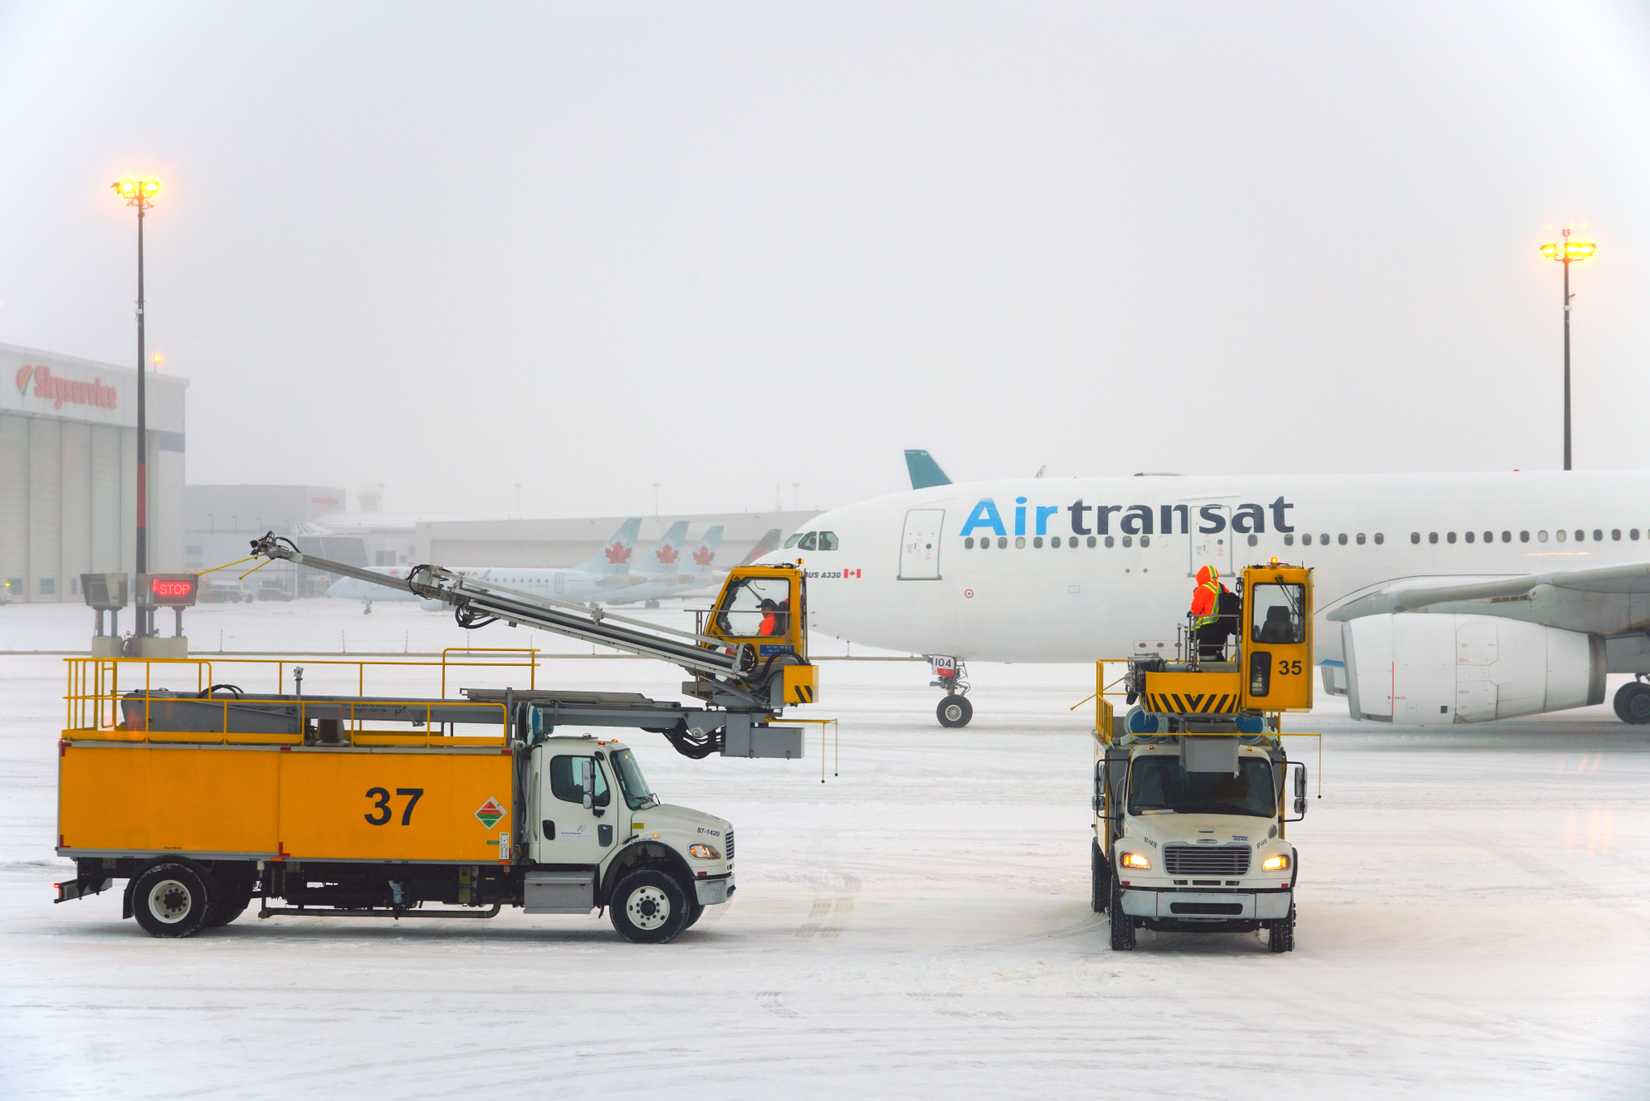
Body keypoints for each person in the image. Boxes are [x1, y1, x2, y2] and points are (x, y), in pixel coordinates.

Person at [1189, 564, 1232, 661]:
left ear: (1201, 576)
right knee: (1215, 650)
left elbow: (1196, 609)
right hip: (1222, 627)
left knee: (1206, 653)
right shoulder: (1222, 587)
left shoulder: (1203, 588)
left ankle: (1208, 672)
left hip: (1208, 627)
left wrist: (1191, 612)